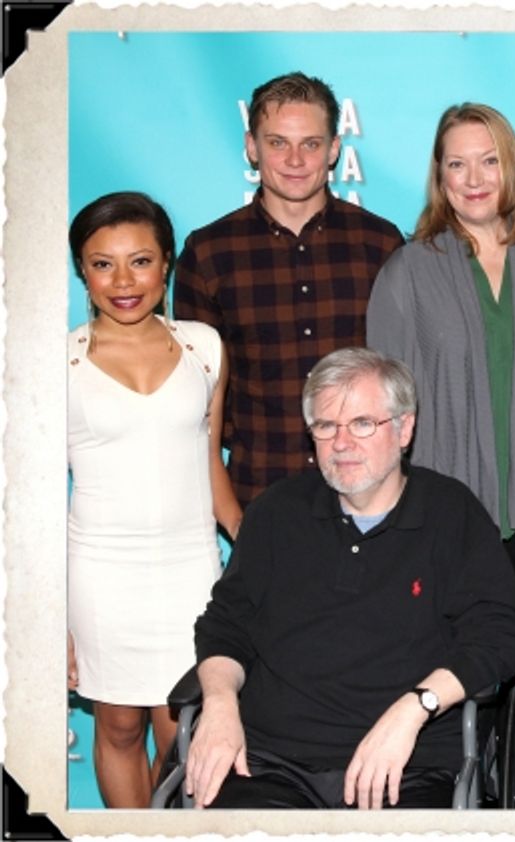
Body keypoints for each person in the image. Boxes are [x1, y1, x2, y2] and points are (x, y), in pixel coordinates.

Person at [185, 348, 515, 809]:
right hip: (272, 762)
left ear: (404, 429)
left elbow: (500, 635)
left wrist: (415, 709)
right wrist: (221, 704)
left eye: (363, 423)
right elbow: (225, 624)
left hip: (408, 767)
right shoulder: (276, 512)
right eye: (326, 426)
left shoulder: (452, 514)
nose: (341, 443)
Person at [367, 103, 515, 689]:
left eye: (489, 161)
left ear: (512, 168)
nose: (475, 179)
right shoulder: (407, 271)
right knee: (446, 670)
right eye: (458, 164)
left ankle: (494, 785)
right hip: (442, 515)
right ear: (440, 176)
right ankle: (449, 783)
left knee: (513, 667)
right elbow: (382, 404)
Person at [67, 191, 241, 807]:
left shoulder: (204, 347)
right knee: (116, 726)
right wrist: (50, 616)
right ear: (82, 272)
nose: (123, 281)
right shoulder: (56, 361)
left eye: (140, 261)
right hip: (98, 574)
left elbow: (211, 467)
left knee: (184, 728)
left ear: (166, 264)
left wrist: (259, 553)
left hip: (191, 569)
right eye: (102, 263)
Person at [175, 71, 404, 509]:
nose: (295, 159)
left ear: (334, 149)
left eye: (311, 144)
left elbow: (403, 374)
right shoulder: (209, 253)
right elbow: (196, 397)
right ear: (251, 146)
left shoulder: (381, 245)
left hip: (370, 494)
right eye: (278, 142)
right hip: (258, 494)